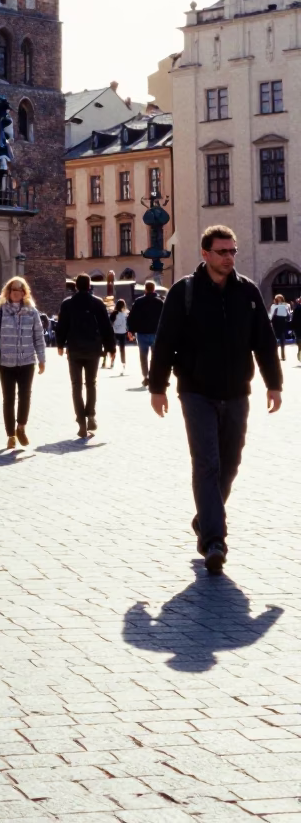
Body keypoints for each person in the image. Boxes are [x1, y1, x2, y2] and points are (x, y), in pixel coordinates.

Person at [149, 225, 281, 575]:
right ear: (205, 254)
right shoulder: (185, 292)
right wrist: (157, 386)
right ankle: (214, 541)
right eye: (222, 251)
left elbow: (264, 342)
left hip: (237, 390)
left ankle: (205, 517)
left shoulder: (248, 292)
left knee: (231, 463)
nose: (229, 257)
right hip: (196, 390)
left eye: (233, 251)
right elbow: (165, 341)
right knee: (206, 463)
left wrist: (274, 383)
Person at [0, 277, 46, 449]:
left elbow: (39, 337)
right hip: (6, 363)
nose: (16, 293)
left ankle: (21, 427)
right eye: (13, 290)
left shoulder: (32, 312)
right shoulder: (0, 312)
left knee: (25, 396)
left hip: (27, 361)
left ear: (24, 292)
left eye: (19, 290)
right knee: (8, 399)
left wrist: (41, 359)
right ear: (8, 292)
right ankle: (10, 435)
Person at [55, 274, 116, 438]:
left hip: (74, 349)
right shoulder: (97, 303)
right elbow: (106, 326)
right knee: (91, 384)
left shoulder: (67, 303)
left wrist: (60, 344)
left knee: (76, 385)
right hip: (93, 349)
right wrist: (111, 347)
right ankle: (91, 415)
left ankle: (81, 421)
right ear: (89, 286)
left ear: (76, 286)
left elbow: (62, 325)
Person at [127, 280, 165, 387]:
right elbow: (165, 318)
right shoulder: (160, 302)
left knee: (143, 356)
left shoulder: (138, 302)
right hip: (155, 333)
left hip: (142, 333)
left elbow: (132, 317)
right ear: (154, 289)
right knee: (155, 356)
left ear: (145, 289)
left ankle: (146, 377)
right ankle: (154, 376)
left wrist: (131, 331)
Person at [269, 294, 291, 362]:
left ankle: (283, 355)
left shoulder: (286, 305)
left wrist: (287, 312)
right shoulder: (273, 306)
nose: (278, 300)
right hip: (275, 324)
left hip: (282, 324)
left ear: (282, 299)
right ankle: (274, 356)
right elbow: (271, 315)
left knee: (282, 341)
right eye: (277, 299)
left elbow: (288, 316)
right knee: (274, 341)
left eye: (279, 299)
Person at [109, 299, 129, 374]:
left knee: (113, 348)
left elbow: (110, 323)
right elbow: (127, 324)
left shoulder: (114, 313)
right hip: (123, 333)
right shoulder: (125, 314)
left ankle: (112, 361)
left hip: (115, 332)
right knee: (122, 349)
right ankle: (123, 363)